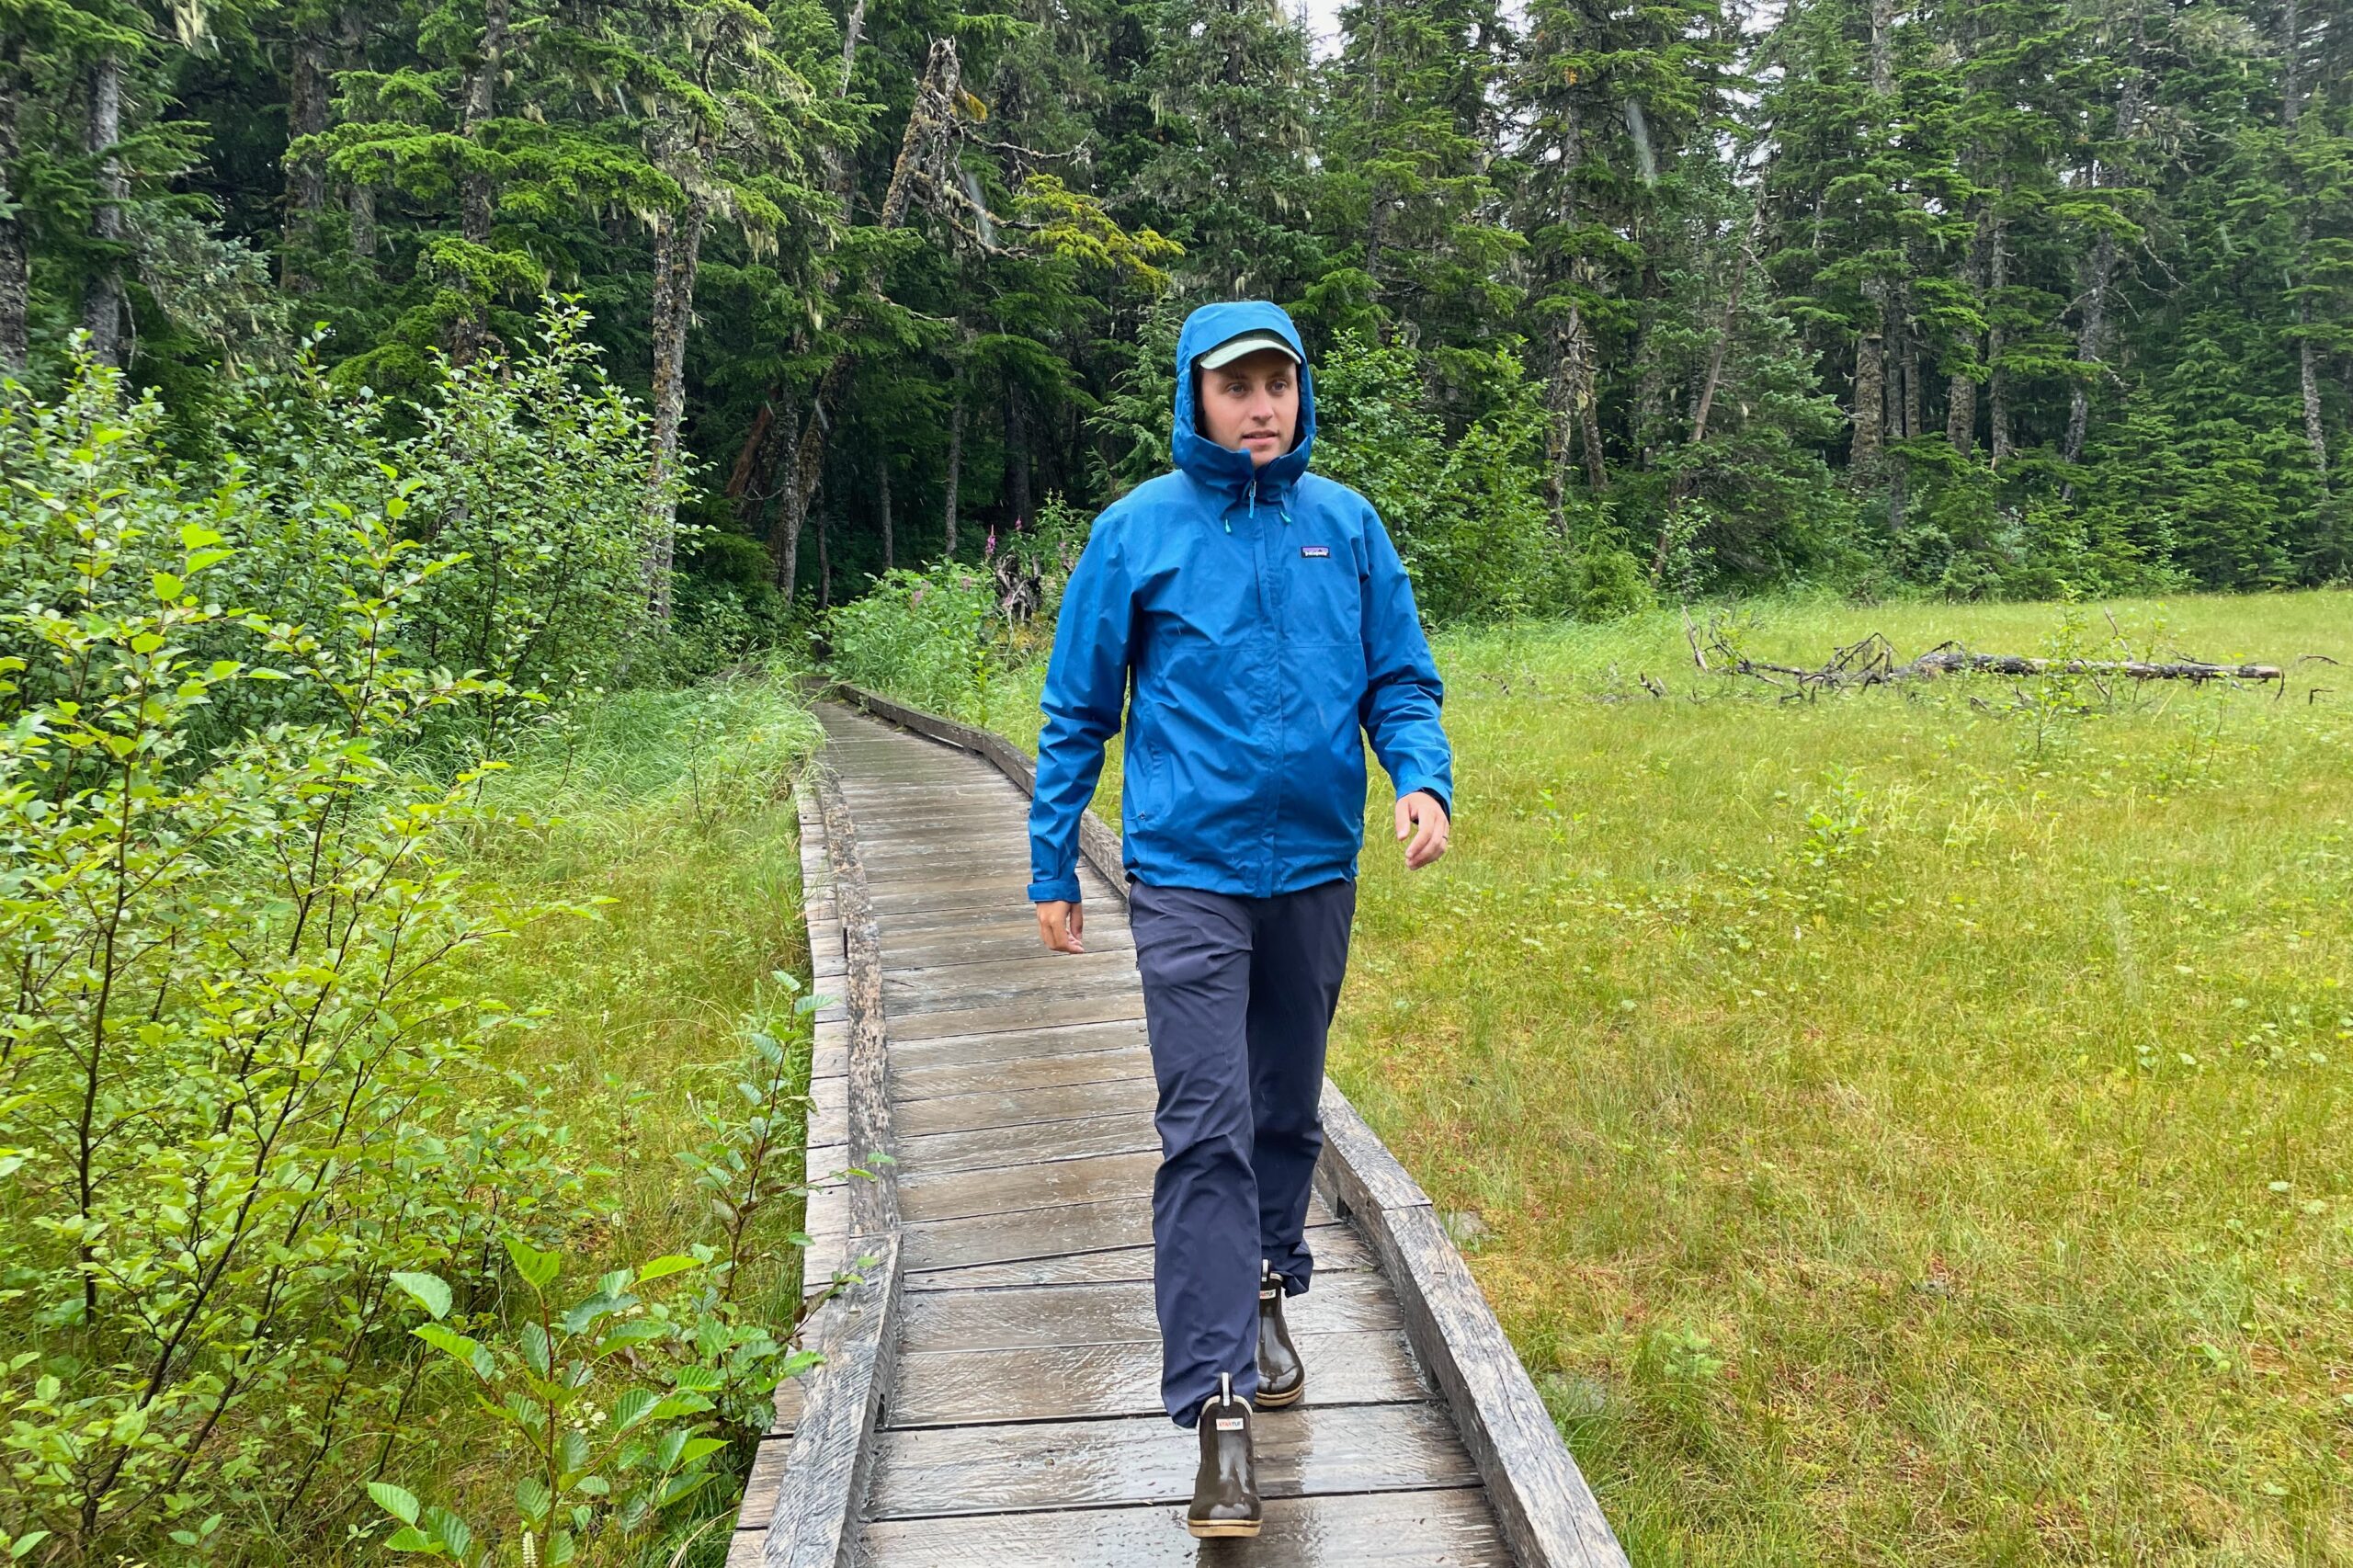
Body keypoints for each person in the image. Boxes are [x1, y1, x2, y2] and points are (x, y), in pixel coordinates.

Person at [1026, 299, 1454, 1538]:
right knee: (1203, 1123)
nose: (1261, 403)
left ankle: (1271, 1273)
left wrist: (1417, 775)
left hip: (1314, 865)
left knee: (1283, 1108)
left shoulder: (1348, 527)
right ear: (1195, 398)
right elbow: (1076, 707)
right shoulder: (1136, 533)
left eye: (1278, 381)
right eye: (1236, 385)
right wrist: (1053, 858)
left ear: (1301, 392)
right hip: (1189, 875)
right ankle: (1216, 1404)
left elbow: (1399, 676)